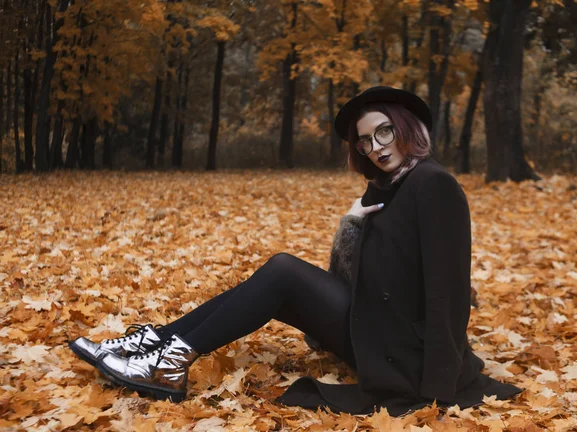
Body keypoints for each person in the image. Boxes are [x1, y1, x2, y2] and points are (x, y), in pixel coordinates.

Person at [69, 86, 522, 415]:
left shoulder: (433, 183)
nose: (375, 148)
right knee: (274, 278)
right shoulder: (385, 189)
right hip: (378, 326)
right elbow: (354, 279)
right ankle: (156, 345)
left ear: (406, 128)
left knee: (283, 271)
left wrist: (437, 385)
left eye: (384, 133)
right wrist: (352, 225)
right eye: (365, 141)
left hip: (406, 351)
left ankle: (166, 359)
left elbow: (449, 292)